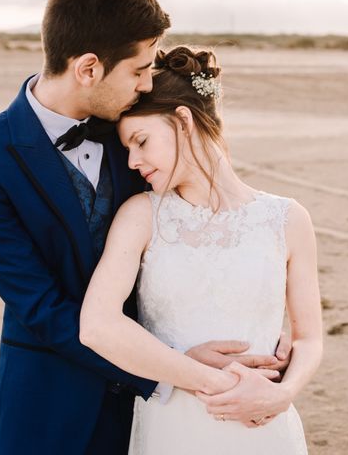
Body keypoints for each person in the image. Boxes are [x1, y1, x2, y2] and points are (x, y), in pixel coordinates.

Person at [0, 0, 290, 454]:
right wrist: (169, 368)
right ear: (89, 68)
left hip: (163, 408)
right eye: (138, 70)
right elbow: (38, 305)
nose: (148, 84)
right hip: (52, 398)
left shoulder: (135, 128)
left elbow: (201, 217)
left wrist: (261, 311)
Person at [79, 46, 323, 454]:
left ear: (183, 121)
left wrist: (282, 395)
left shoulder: (288, 219)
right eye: (127, 151)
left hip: (263, 425)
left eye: (141, 141)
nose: (134, 161)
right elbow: (98, 325)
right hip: (174, 424)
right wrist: (200, 376)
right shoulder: (141, 215)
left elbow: (309, 338)